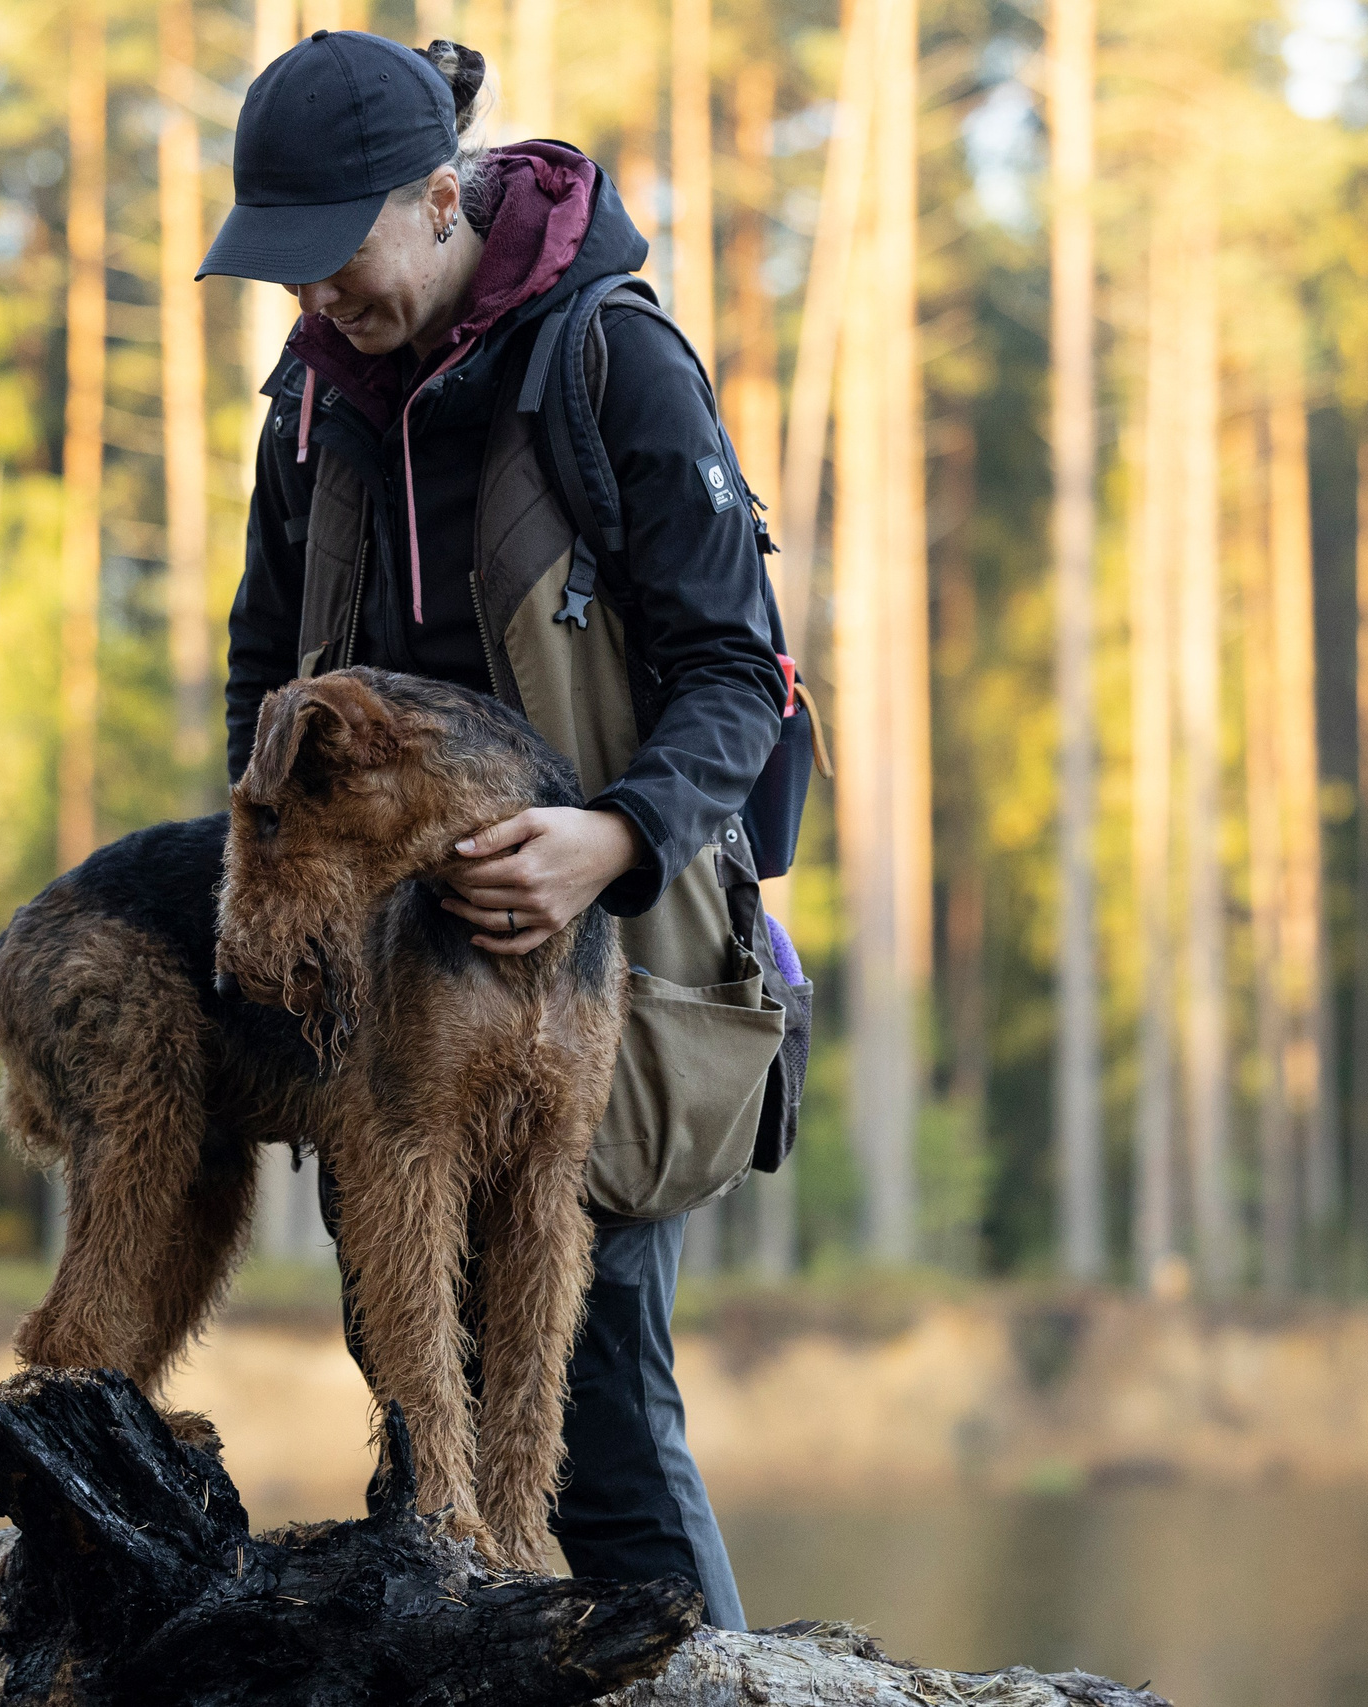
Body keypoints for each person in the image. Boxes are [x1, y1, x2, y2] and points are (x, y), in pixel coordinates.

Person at [200, 29, 786, 1628]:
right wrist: (268, 899)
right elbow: (262, 676)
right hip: (377, 996)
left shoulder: (612, 360)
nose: (312, 299)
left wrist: (611, 838)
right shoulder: (306, 409)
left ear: (440, 199)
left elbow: (745, 672)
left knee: (599, 1429)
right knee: (418, 1420)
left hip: (602, 956)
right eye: (284, 270)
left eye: (334, 257)